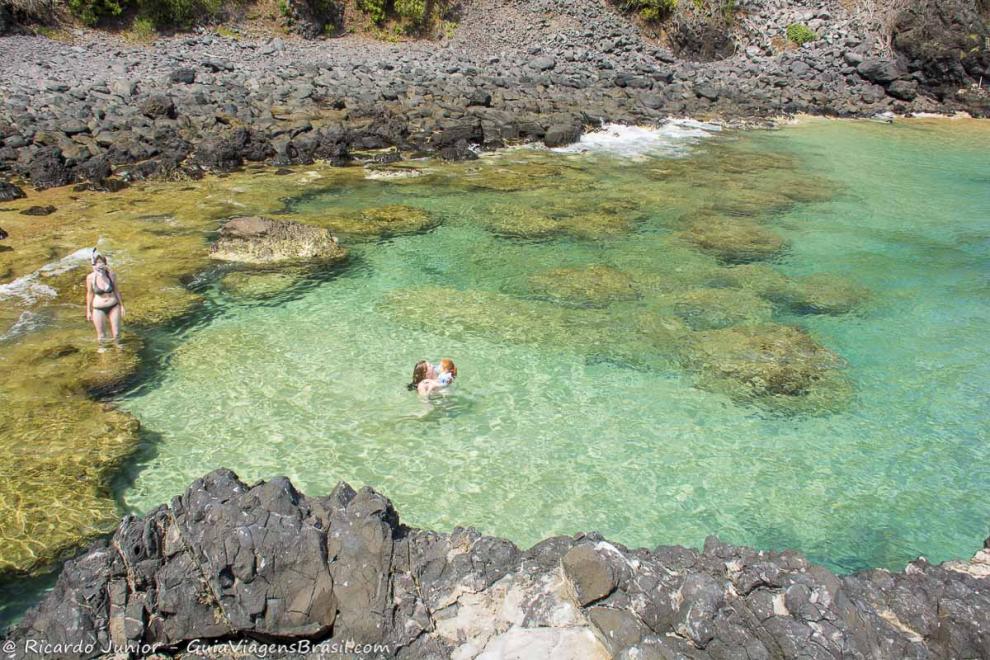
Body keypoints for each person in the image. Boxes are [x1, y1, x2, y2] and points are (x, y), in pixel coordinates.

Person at [85, 250, 125, 346]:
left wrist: (122, 306)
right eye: (96, 264)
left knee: (116, 334)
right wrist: (88, 311)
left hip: (114, 306)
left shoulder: (111, 275)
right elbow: (90, 294)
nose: (99, 267)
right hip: (98, 308)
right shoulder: (90, 277)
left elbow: (116, 290)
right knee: (102, 336)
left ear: (105, 265)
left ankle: (119, 351)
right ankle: (104, 353)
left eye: (101, 264)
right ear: (93, 266)